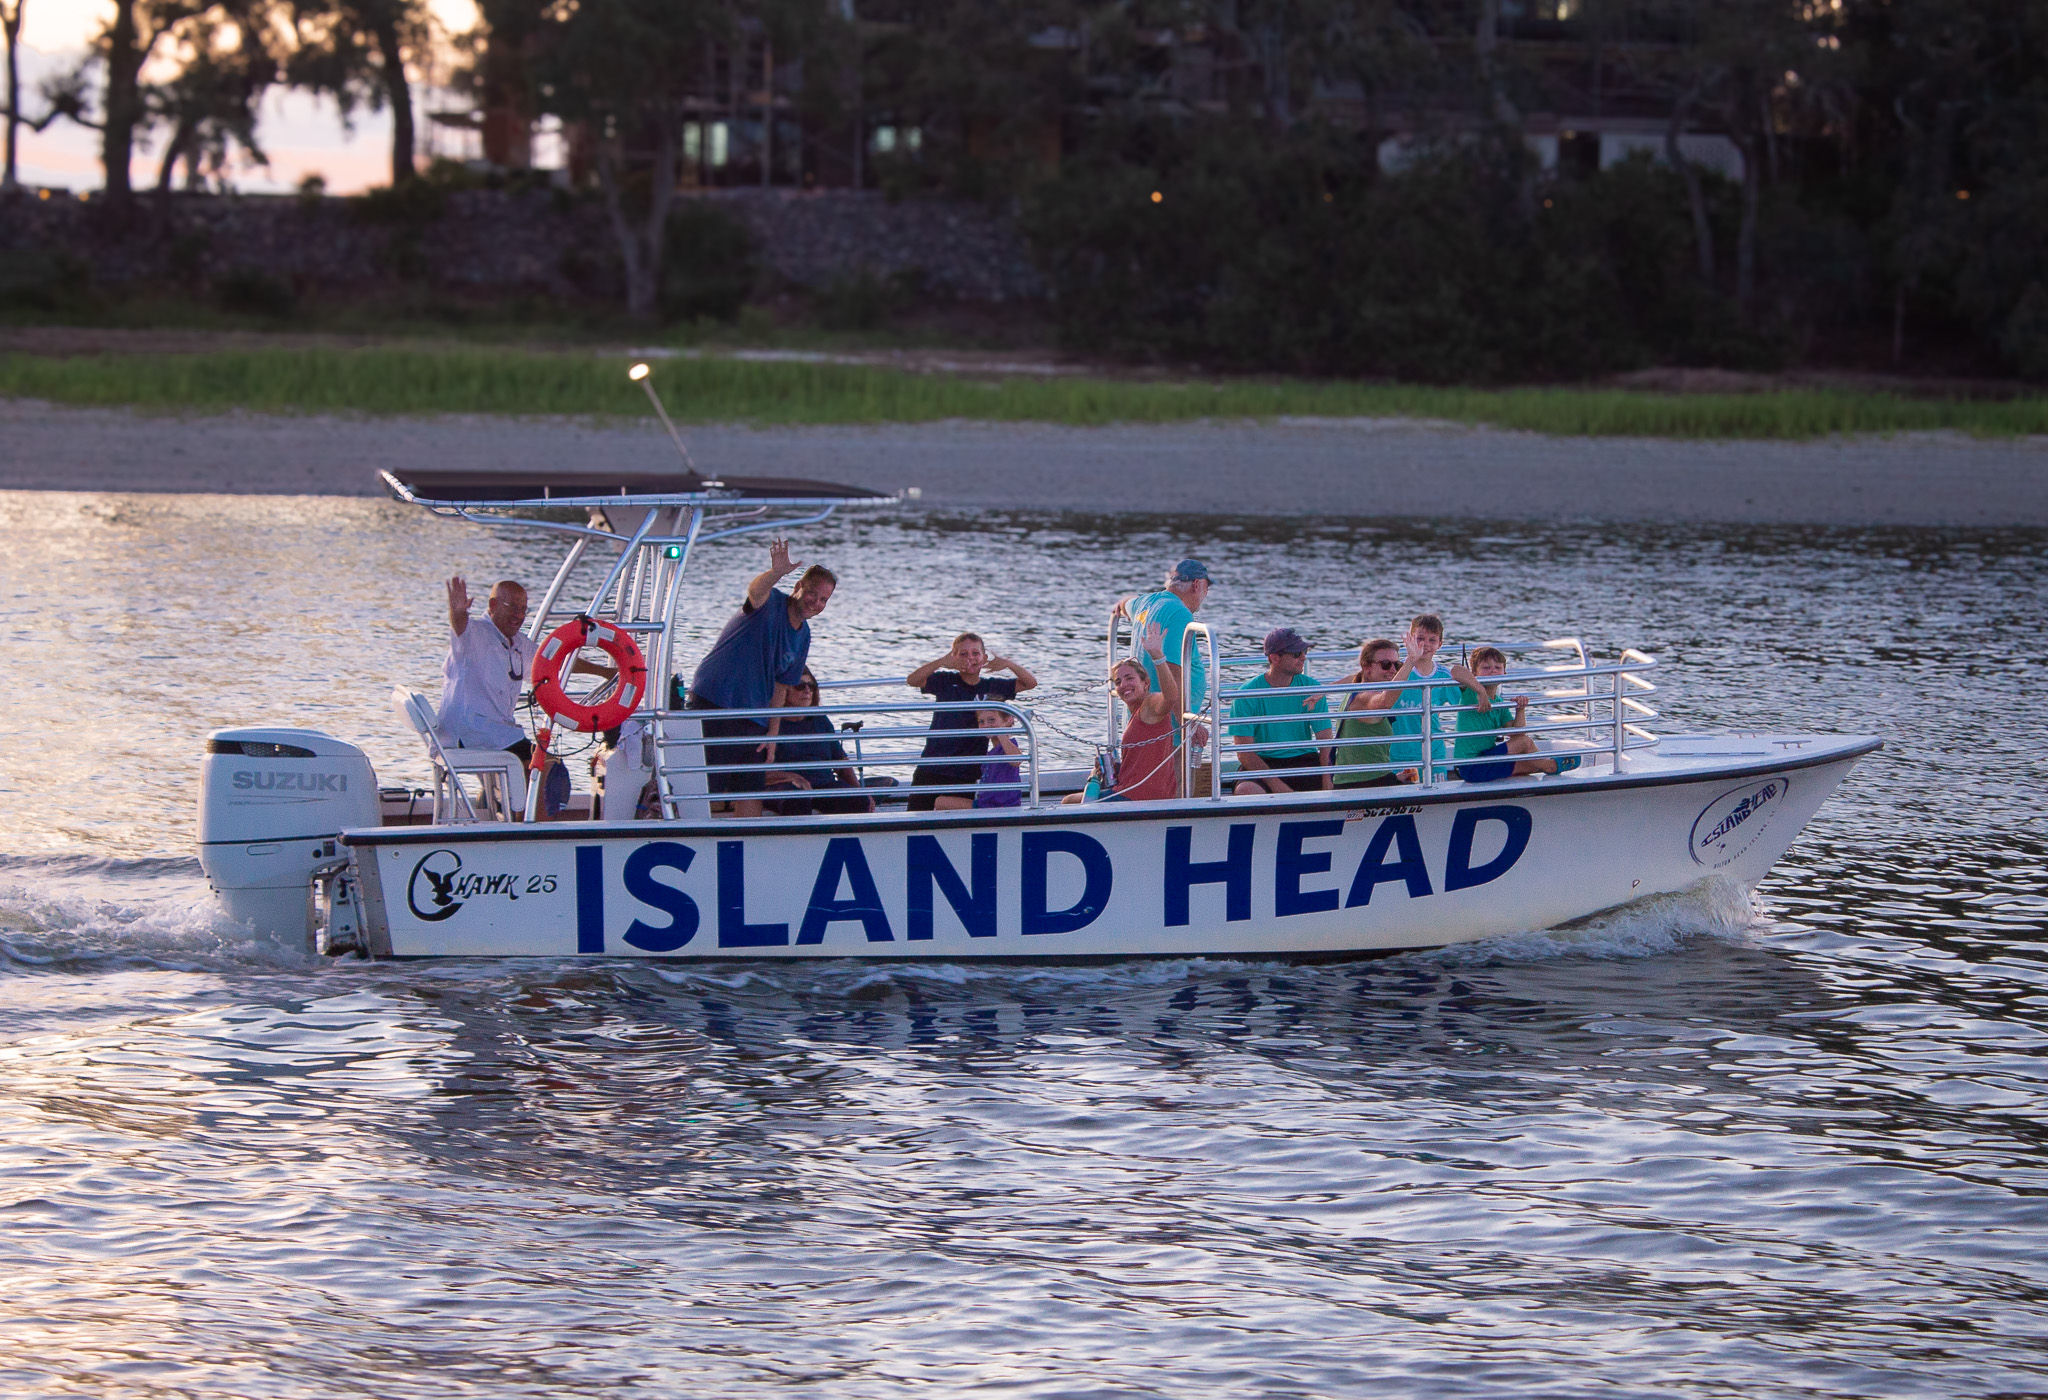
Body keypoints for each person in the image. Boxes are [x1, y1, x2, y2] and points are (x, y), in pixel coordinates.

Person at [688, 538, 836, 817]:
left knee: (750, 785)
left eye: (824, 599)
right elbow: (755, 592)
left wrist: (773, 733)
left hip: (754, 715)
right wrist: (776, 573)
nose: (816, 603)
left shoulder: (803, 635)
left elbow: (783, 685)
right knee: (708, 783)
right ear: (797, 588)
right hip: (715, 701)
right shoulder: (770, 603)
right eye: (812, 594)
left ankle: (747, 842)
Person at [904, 633, 1037, 811]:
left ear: (984, 658)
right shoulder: (945, 681)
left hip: (966, 770)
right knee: (916, 815)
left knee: (953, 822)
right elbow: (912, 680)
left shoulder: (992, 686)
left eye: (975, 654)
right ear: (954, 657)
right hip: (932, 765)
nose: (970, 658)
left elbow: (1030, 683)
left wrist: (1007, 664)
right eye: (963, 654)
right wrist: (942, 661)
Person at [1062, 620, 1183, 804]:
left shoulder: (1150, 705)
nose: (1123, 685)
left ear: (1145, 683)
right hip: (1133, 790)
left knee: (1069, 802)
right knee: (1076, 797)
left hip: (1139, 796)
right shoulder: (1135, 714)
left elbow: (1171, 696)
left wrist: (1158, 657)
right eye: (1118, 682)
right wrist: (1114, 769)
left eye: (1129, 678)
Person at [1116, 559, 1213, 763]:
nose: (1206, 595)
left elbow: (1126, 603)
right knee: (1175, 790)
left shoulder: (1146, 602)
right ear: (1197, 585)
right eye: (1206, 588)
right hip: (1167, 733)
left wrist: (1120, 606)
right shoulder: (1180, 614)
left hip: (1140, 725)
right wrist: (1189, 723)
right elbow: (1173, 672)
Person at [440, 576, 537, 763]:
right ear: (493, 605)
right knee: (544, 765)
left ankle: (501, 793)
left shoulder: (517, 643)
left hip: (495, 734)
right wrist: (457, 611)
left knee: (532, 762)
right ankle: (526, 793)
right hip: (468, 733)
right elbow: (459, 624)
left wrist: (601, 671)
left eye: (523, 610)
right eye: (513, 607)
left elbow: (552, 660)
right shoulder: (474, 634)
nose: (519, 615)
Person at [1229, 627, 1334, 795]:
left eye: (1304, 651)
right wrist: (1278, 786)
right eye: (1296, 653)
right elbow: (1245, 753)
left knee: (1343, 783)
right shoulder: (1246, 694)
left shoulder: (1312, 688)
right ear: (1274, 658)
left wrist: (1327, 778)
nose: (1303, 657)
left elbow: (1325, 739)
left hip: (1304, 760)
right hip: (1263, 762)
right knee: (1246, 790)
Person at [1359, 612, 1462, 783]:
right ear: (1410, 639)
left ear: (1440, 644)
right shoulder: (1396, 671)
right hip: (1398, 753)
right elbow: (1361, 676)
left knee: (1436, 797)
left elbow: (1464, 703)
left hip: (1433, 752)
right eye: (1420, 638)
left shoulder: (1443, 676)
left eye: (1432, 640)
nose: (1425, 645)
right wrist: (1324, 691)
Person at [1445, 646, 1574, 781]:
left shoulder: (1499, 702)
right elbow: (1455, 670)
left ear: (1504, 673)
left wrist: (1520, 710)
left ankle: (1547, 765)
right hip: (1470, 764)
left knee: (1533, 764)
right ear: (1474, 673)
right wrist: (1480, 691)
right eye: (1486, 668)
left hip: (1486, 759)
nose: (1492, 671)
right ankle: (1551, 766)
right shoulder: (1470, 692)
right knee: (1525, 743)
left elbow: (1516, 734)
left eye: (1497, 668)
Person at [763, 669, 874, 815]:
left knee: (857, 801)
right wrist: (791, 777)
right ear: (784, 691)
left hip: (822, 784)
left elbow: (840, 761)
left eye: (812, 686)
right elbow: (758, 772)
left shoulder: (820, 721)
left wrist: (859, 790)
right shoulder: (769, 725)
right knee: (797, 801)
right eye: (800, 686)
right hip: (786, 786)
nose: (807, 690)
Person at [1331, 637, 1404, 789]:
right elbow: (1385, 702)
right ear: (1367, 667)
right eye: (1386, 665)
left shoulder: (1357, 689)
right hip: (1362, 786)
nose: (1393, 670)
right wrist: (1411, 662)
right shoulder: (1363, 698)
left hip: (1370, 779)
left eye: (1397, 665)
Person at [935, 710, 1025, 810]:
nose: (986, 725)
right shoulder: (991, 753)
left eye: (992, 720)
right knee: (942, 799)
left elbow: (1017, 760)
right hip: (986, 803)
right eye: (981, 722)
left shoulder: (1008, 746)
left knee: (941, 802)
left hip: (1001, 806)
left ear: (1008, 720)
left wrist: (1001, 733)